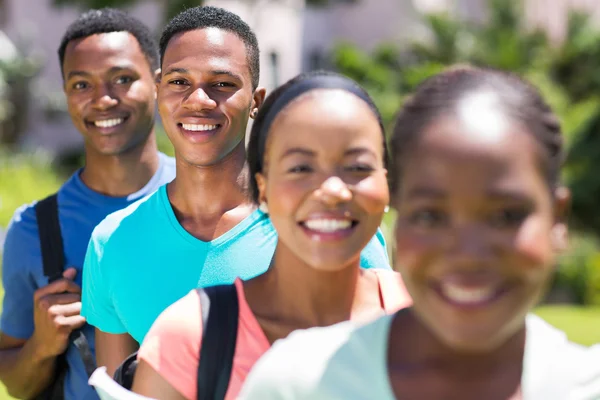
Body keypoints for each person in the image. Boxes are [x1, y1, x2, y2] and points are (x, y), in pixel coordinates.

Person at [238, 66, 600, 400]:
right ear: (396, 213)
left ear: (557, 218)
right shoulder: (299, 384)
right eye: (430, 217)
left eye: (505, 215)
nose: (468, 253)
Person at [81, 6, 392, 377]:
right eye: (179, 81)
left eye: (223, 84)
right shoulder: (112, 241)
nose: (199, 100)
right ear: (158, 89)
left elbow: (382, 369)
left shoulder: (325, 225)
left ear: (256, 101)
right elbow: (118, 390)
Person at [130, 70, 411, 400]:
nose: (333, 191)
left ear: (386, 184)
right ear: (262, 189)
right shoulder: (191, 337)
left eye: (358, 167)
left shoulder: (429, 316)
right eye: (301, 168)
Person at [0, 8, 175, 400]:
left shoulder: (210, 199)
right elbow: (15, 383)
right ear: (65, 95)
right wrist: (41, 346)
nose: (102, 99)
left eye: (122, 79)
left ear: (159, 84)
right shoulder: (34, 229)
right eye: (81, 84)